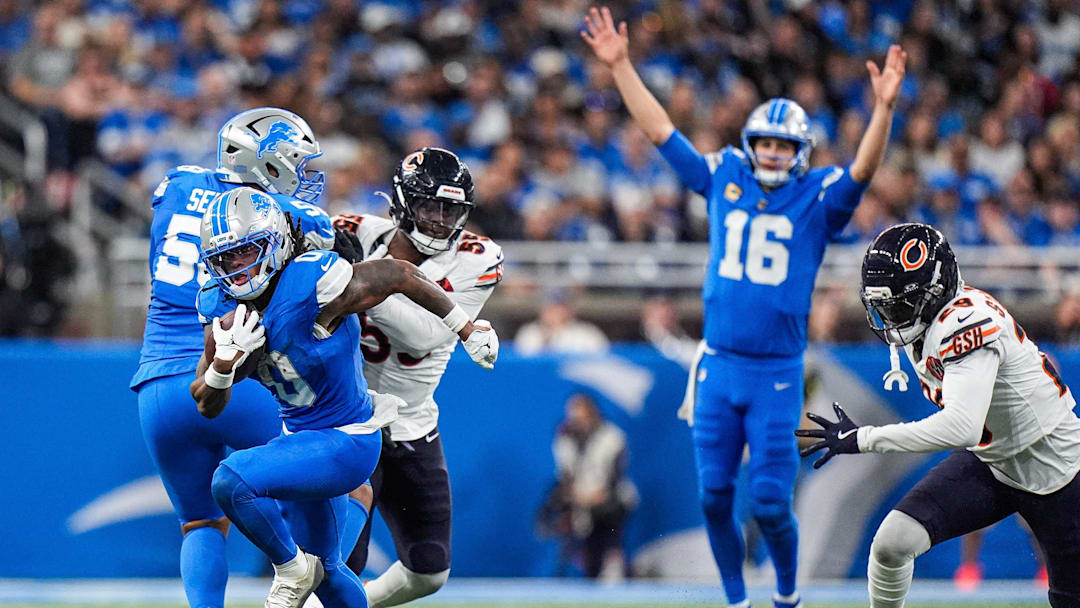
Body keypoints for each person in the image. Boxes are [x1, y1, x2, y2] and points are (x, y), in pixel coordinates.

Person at [581, 7, 904, 607]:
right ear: (751, 146)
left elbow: (863, 168)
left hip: (777, 370)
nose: (776, 154)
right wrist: (622, 66)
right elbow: (660, 134)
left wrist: (882, 109)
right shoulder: (725, 174)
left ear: (801, 150)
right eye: (767, 144)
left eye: (786, 145)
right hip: (718, 365)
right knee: (712, 496)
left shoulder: (817, 196)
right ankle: (736, 600)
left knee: (771, 503)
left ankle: (785, 594)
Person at [191, 187, 499, 608]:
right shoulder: (221, 308)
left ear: (275, 243)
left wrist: (466, 328)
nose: (237, 268)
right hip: (299, 437)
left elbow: (399, 275)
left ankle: (289, 568)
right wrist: (224, 368)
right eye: (226, 258)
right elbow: (207, 404)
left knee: (231, 481)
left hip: (347, 437)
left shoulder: (312, 282)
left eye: (247, 252)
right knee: (330, 573)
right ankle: (306, 568)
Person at [797, 223, 1080, 607]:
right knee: (892, 543)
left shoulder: (965, 322)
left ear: (935, 289)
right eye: (883, 306)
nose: (891, 317)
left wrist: (865, 438)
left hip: (1060, 472)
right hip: (995, 462)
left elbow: (962, 426)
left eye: (899, 304)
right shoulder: (931, 320)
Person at [129, 107, 334, 608]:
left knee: (200, 523)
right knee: (343, 483)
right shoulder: (282, 213)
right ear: (264, 164)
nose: (302, 175)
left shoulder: (175, 185)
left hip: (156, 386)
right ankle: (319, 595)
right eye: (293, 162)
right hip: (239, 377)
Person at [327, 147, 504, 607]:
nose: (442, 220)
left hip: (412, 422)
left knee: (428, 571)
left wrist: (360, 281)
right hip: (346, 416)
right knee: (339, 562)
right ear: (402, 203)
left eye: (452, 208)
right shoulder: (353, 232)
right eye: (430, 206)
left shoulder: (476, 257)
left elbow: (426, 332)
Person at [547, 393, 637, 580]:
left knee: (608, 515)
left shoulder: (612, 438)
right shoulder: (564, 440)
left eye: (583, 417)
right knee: (553, 510)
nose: (579, 422)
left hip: (609, 500)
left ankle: (614, 560)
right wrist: (568, 498)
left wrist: (589, 498)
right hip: (580, 498)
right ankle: (577, 566)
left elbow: (613, 481)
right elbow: (565, 477)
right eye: (574, 418)